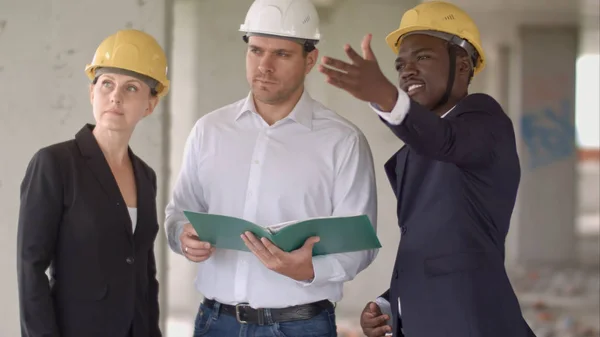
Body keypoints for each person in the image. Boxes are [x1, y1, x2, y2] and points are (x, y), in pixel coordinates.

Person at [318, 1, 537, 337]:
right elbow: (438, 250)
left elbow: (445, 140)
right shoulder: (415, 151)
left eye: (422, 57)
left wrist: (386, 97)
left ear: (462, 65)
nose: (406, 71)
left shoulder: (485, 122)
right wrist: (391, 304)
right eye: (400, 64)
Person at [164, 0, 378, 336]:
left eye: (281, 54)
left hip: (301, 325)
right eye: (256, 50)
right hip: (215, 323)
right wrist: (182, 236)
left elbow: (360, 243)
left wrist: (311, 270)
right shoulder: (209, 130)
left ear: (310, 60)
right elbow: (178, 213)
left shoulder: (342, 141)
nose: (264, 65)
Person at [16, 29, 169, 337]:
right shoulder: (55, 164)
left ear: (149, 105)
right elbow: (30, 268)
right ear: (92, 93)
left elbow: (144, 274)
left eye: (131, 88)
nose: (115, 96)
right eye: (107, 84)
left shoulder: (146, 176)